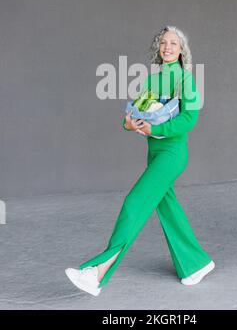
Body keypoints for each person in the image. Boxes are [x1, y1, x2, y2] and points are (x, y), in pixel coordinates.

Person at [65, 25, 215, 296]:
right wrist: (129, 122)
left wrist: (155, 130)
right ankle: (196, 264)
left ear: (182, 51)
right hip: (154, 152)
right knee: (167, 208)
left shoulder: (185, 79)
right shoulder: (154, 79)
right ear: (158, 48)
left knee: (135, 202)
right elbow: (137, 110)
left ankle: (97, 272)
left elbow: (189, 120)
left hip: (172, 154)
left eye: (173, 43)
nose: (167, 47)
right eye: (163, 43)